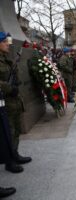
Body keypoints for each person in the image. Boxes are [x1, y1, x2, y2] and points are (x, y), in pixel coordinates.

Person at [0, 32, 32, 172]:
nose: (8, 44)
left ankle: (15, 154)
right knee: (9, 131)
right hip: (4, 100)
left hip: (14, 100)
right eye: (5, 42)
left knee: (16, 129)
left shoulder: (6, 59)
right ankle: (10, 161)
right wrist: (8, 87)